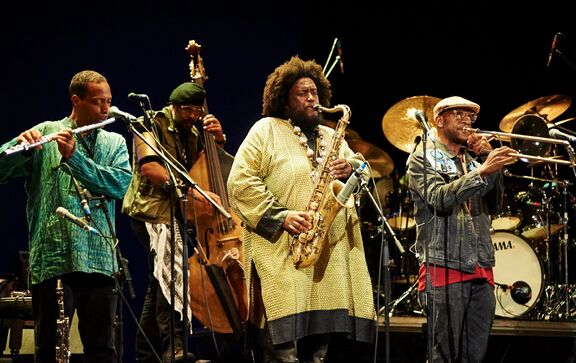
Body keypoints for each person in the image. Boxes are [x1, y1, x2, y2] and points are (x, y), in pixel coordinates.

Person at [227, 56, 376, 362]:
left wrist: (352, 168)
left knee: (318, 354)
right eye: (302, 93)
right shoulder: (265, 130)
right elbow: (240, 183)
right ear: (284, 100)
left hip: (325, 263)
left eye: (314, 93)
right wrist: (281, 216)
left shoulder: (332, 136)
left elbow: (363, 173)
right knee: (283, 353)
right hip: (282, 255)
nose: (311, 99)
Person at [0, 70, 132, 362]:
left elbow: (119, 184)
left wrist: (75, 158)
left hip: (99, 259)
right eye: (98, 102)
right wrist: (17, 151)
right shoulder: (47, 132)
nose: (106, 109)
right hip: (53, 257)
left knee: (102, 349)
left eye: (109, 101)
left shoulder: (114, 143)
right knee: (47, 348)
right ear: (77, 100)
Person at [406, 96, 517, 362]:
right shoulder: (422, 158)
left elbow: (497, 200)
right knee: (444, 355)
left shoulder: (472, 159)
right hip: (445, 268)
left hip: (481, 268)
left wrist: (487, 159)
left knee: (474, 355)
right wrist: (481, 172)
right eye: (459, 114)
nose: (467, 121)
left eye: (470, 116)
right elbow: (439, 198)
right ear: (440, 120)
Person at [122, 81, 227, 363]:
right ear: (176, 107)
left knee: (161, 281)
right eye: (189, 110)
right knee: (172, 274)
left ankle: (146, 352)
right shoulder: (150, 123)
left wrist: (217, 141)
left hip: (174, 213)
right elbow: (150, 169)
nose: (193, 116)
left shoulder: (193, 133)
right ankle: (174, 347)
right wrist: (190, 188)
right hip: (150, 212)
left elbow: (205, 166)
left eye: (197, 111)